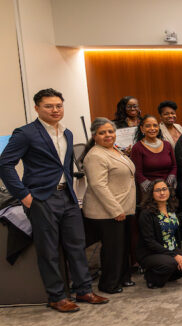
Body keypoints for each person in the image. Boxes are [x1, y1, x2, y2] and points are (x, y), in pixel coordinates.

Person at [0, 88, 109, 312]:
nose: (55, 110)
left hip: (67, 196)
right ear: (37, 108)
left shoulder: (67, 133)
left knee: (77, 245)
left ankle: (83, 290)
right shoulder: (26, 133)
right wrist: (24, 195)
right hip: (41, 198)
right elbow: (5, 164)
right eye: (49, 106)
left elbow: (65, 166)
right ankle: (56, 296)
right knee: (48, 250)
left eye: (58, 105)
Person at [81, 118, 136, 294]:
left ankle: (122, 277)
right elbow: (98, 185)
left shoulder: (115, 150)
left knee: (123, 246)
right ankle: (108, 284)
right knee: (113, 249)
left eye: (110, 132)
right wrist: (116, 210)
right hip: (108, 211)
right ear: (94, 136)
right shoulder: (95, 155)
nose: (107, 135)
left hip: (124, 207)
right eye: (102, 133)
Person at [137, 180, 182, 288]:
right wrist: (174, 255)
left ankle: (166, 275)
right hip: (151, 252)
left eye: (164, 189)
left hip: (170, 248)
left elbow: (172, 222)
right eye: (158, 190)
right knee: (171, 263)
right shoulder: (146, 213)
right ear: (151, 193)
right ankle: (151, 278)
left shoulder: (170, 208)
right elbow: (150, 242)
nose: (162, 193)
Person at [130, 115, 177, 196]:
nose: (152, 128)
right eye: (148, 126)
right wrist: (154, 188)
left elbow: (174, 166)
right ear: (142, 129)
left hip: (168, 188)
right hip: (148, 192)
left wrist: (168, 184)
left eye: (155, 125)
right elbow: (137, 173)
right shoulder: (137, 148)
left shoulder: (167, 145)